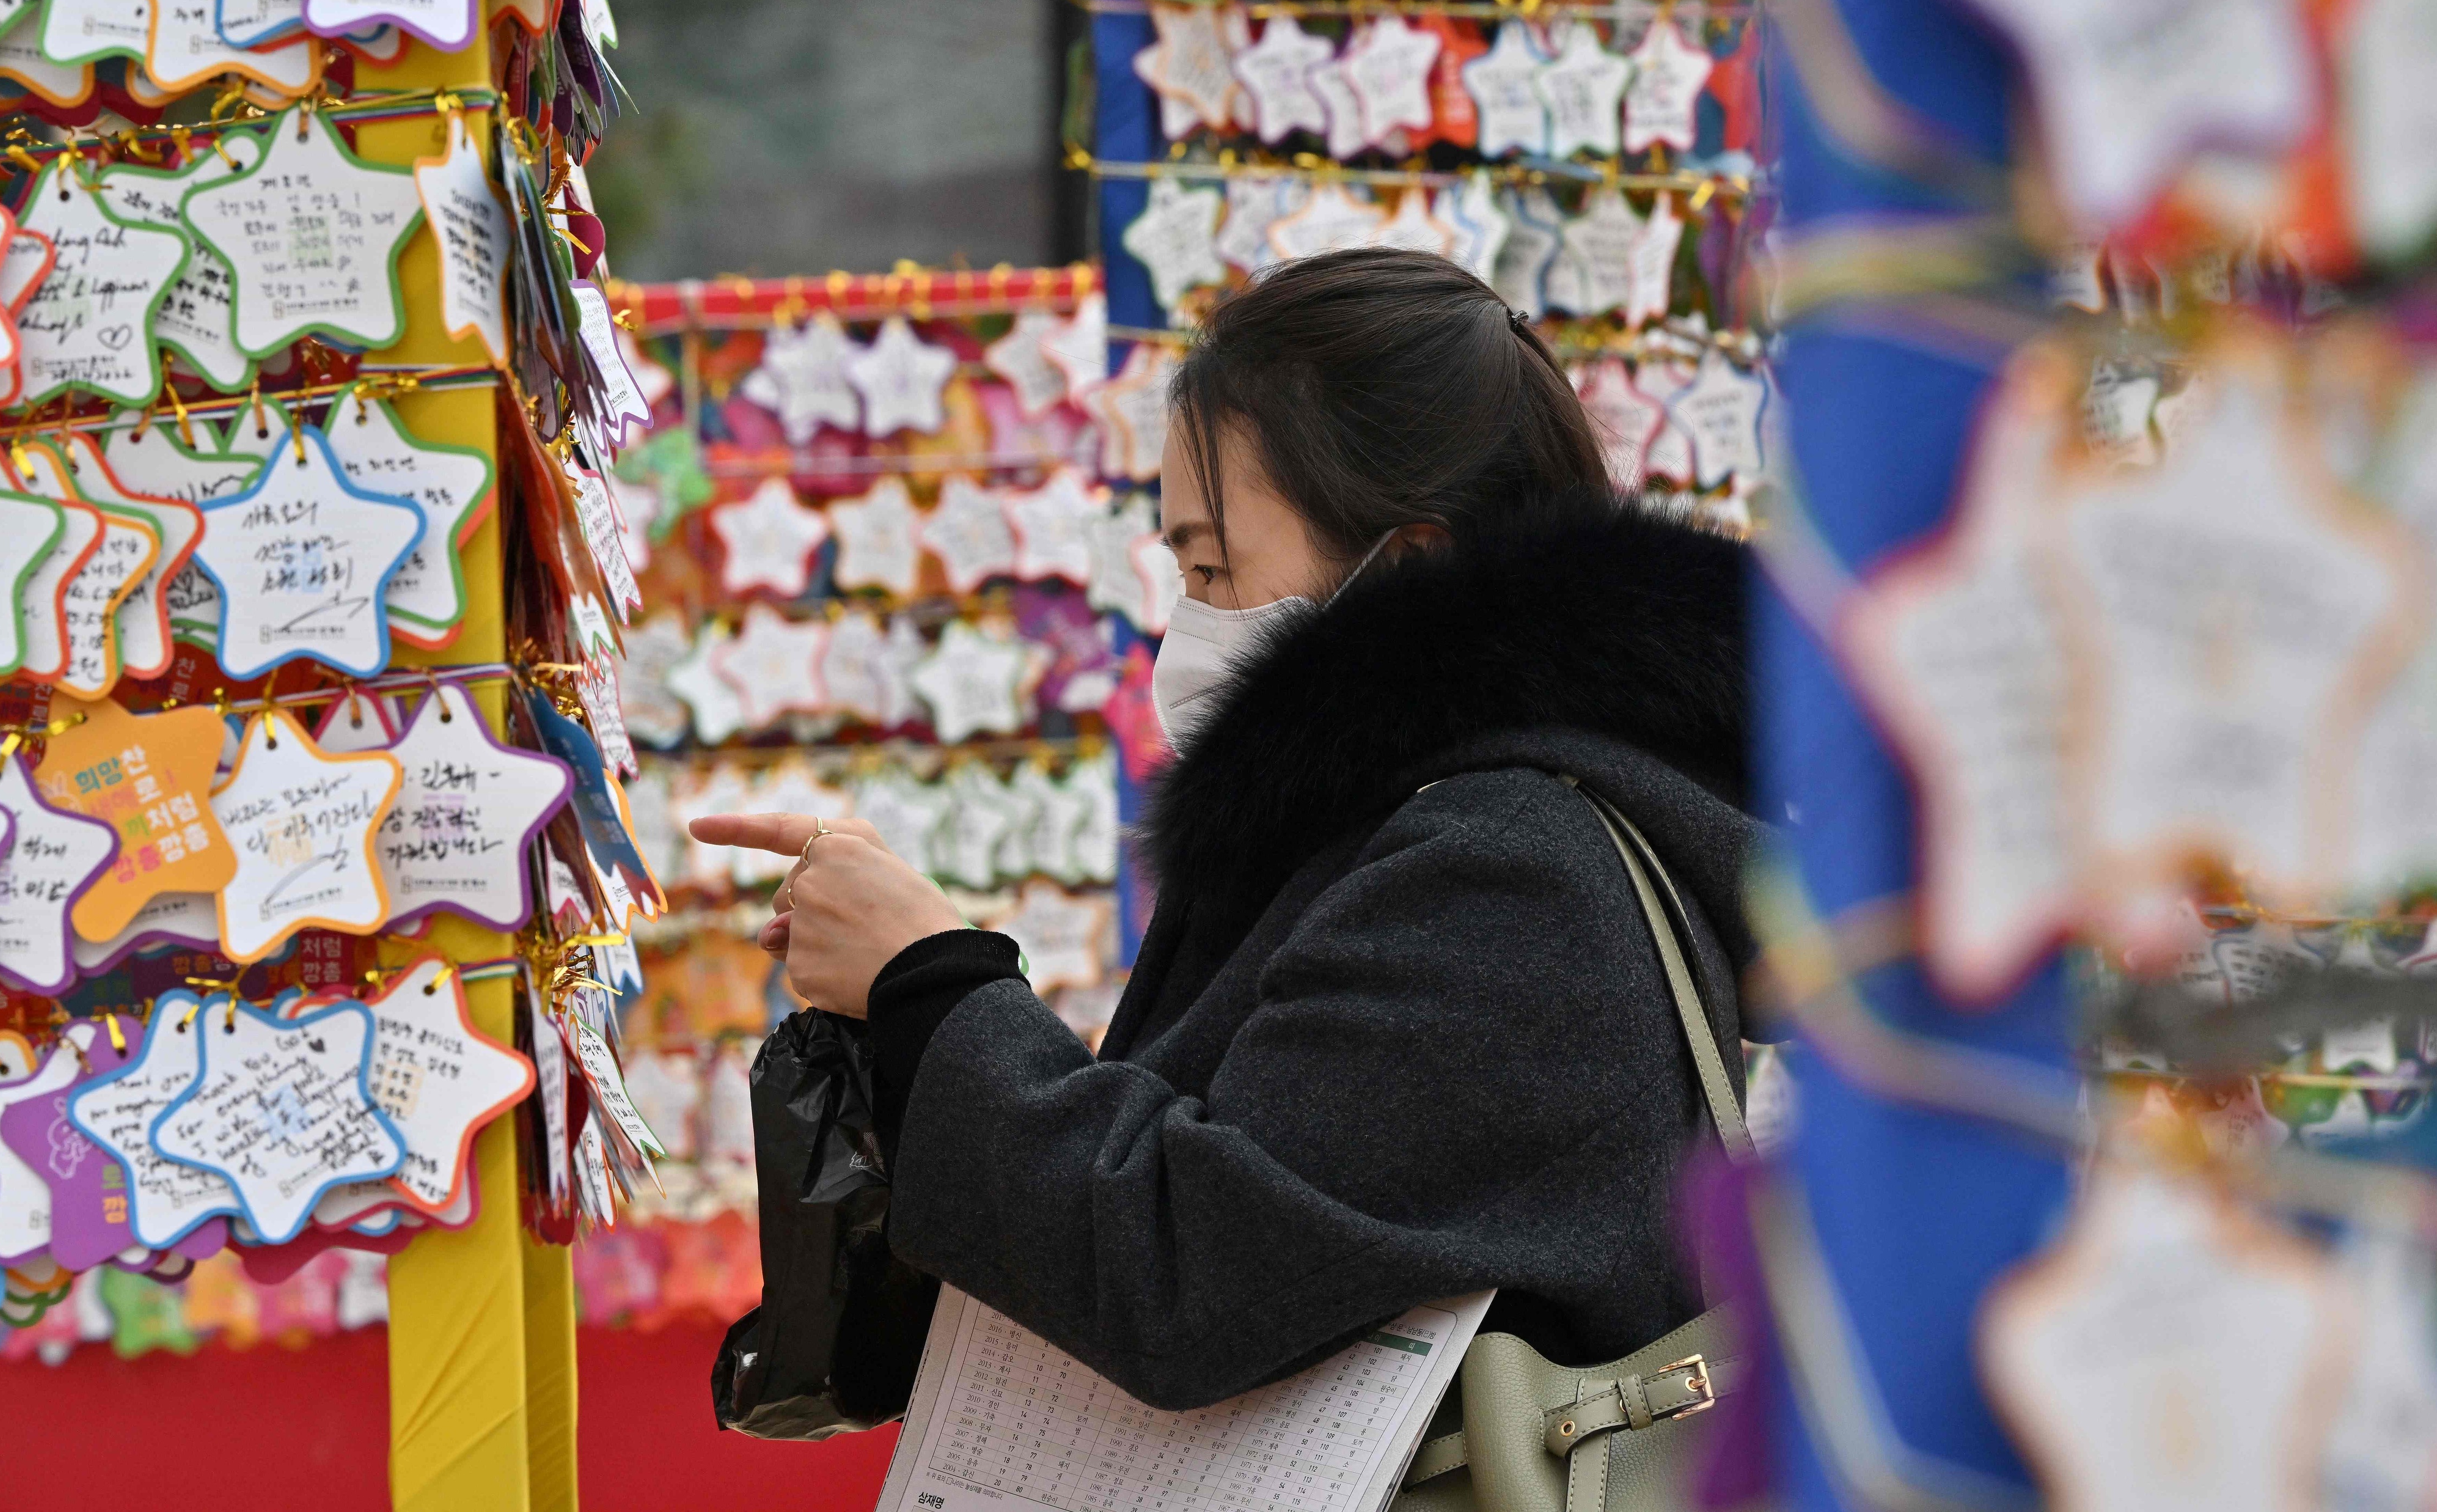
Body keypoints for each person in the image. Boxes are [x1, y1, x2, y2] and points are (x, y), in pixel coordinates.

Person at [693, 247, 1760, 1409]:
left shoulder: (1510, 869)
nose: (1189, 625)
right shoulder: (1408, 821)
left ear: (1409, 565)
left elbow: (1193, 1269)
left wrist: (931, 985)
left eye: (1213, 567)